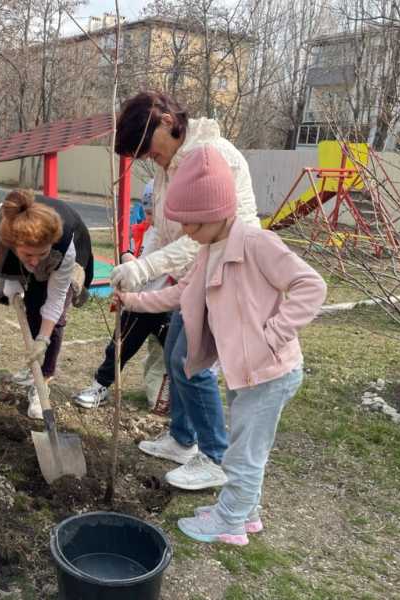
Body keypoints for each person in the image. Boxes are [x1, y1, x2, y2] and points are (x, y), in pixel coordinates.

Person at [115, 146, 326, 545]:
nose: (187, 233)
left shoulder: (256, 243)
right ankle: (246, 513)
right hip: (245, 371)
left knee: (243, 454)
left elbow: (311, 286)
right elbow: (179, 296)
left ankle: (229, 521)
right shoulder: (210, 249)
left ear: (216, 213)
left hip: (270, 372)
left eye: (192, 224)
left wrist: (273, 336)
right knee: (250, 449)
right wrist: (132, 301)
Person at [112, 91, 261, 491]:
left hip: (227, 272)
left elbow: (200, 237)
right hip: (195, 276)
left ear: (164, 120)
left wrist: (145, 268)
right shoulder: (169, 166)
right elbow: (164, 230)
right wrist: (138, 271)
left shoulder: (212, 157)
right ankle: (181, 439)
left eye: (146, 148)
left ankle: (214, 457)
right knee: (177, 351)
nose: (146, 157)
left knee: (190, 362)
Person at [0, 189, 93, 419]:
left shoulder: (65, 249)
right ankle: (33, 369)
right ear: (14, 245)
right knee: (33, 307)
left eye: (41, 254)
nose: (35, 262)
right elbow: (1, 258)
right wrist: (10, 280)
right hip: (22, 246)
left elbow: (55, 299)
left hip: (73, 243)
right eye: (28, 255)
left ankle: (43, 379)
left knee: (55, 319)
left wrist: (43, 339)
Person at [72, 180, 171, 411]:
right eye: (146, 212)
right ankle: (100, 385)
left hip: (168, 304)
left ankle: (176, 399)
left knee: (177, 355)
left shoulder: (177, 235)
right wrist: (128, 257)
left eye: (153, 212)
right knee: (119, 347)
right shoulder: (150, 232)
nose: (149, 218)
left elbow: (159, 267)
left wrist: (133, 265)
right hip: (140, 303)